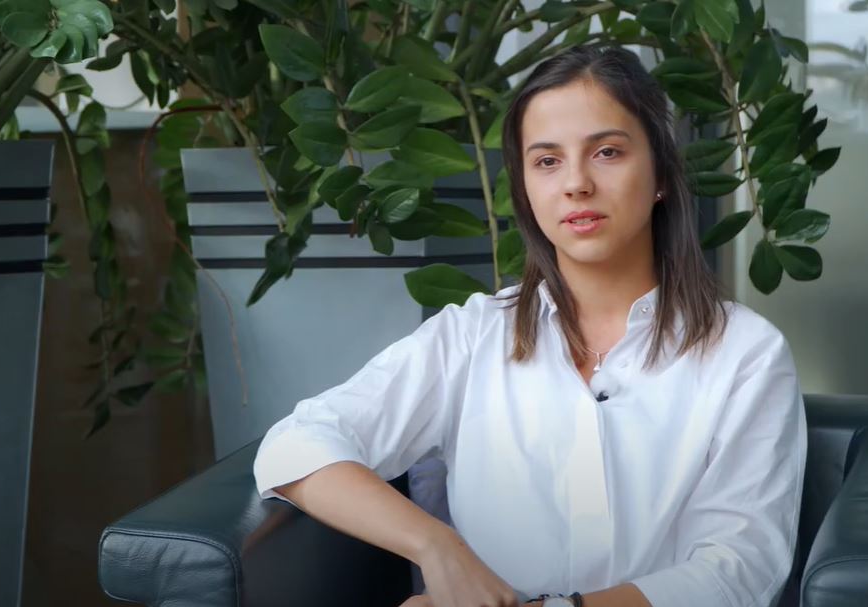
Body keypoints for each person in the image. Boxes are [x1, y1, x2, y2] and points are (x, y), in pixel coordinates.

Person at [252, 44, 807, 607]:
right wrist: (436, 546)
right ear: (525, 189)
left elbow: (738, 570)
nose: (576, 183)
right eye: (546, 161)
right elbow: (296, 444)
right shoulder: (471, 335)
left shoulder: (745, 352)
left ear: (661, 173)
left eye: (607, 152)